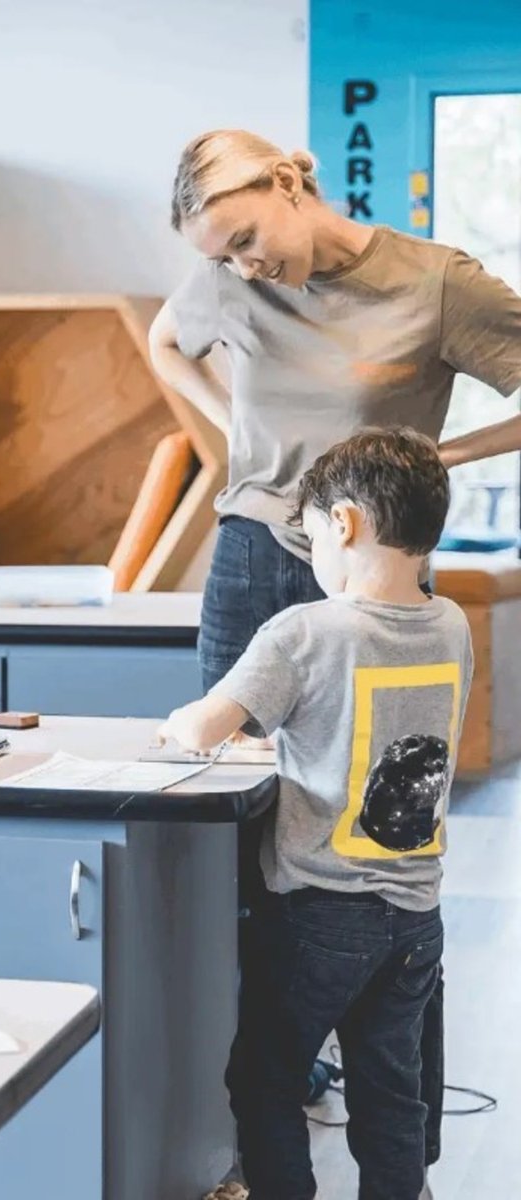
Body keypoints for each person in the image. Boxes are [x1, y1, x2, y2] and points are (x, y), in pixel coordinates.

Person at [148, 129, 521, 1195]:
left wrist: (433, 462)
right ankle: (253, 1105)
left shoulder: (435, 284)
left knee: (371, 825)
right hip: (253, 560)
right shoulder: (222, 279)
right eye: (217, 254)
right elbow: (163, 340)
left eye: (246, 239)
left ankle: (363, 1086)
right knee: (234, 822)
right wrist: (236, 437)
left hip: (367, 576)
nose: (237, 268)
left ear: (289, 182)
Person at [160, 428, 472, 1200]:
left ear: (344, 525)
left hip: (318, 916)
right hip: (415, 915)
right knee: (391, 1096)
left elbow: (206, 727)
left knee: (265, 1079)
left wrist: (176, 724)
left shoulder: (305, 631)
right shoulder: (453, 625)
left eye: (311, 536)